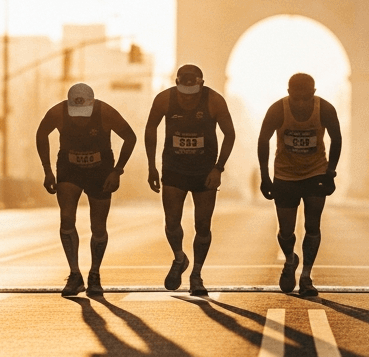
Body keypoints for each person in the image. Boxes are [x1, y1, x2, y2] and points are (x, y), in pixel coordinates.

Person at [35, 83, 137, 297]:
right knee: (66, 219)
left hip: (100, 171)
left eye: (84, 113)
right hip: (69, 169)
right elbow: (41, 134)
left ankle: (94, 273)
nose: (80, 118)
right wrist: (47, 170)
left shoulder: (105, 112)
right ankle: (74, 274)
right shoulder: (57, 112)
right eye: (76, 113)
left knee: (98, 226)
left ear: (92, 104)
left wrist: (117, 171)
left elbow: (130, 137)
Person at [144, 64, 235, 296]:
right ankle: (179, 258)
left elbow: (230, 134)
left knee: (202, 225)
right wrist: (151, 166)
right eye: (183, 94)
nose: (186, 99)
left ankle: (196, 274)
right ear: (176, 84)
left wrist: (218, 168)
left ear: (201, 84)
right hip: (174, 168)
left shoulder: (214, 100)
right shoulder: (164, 99)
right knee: (172, 221)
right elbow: (150, 128)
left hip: (204, 171)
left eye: (191, 94)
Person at [258, 73, 343, 297]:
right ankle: (289, 260)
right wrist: (265, 176)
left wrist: (331, 171)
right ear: (289, 94)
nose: (302, 103)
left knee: (312, 226)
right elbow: (262, 140)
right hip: (285, 174)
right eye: (297, 99)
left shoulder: (325, 109)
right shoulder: (277, 109)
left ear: (314, 94)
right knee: (286, 231)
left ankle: (306, 276)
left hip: (315, 172)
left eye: (306, 98)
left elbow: (337, 138)